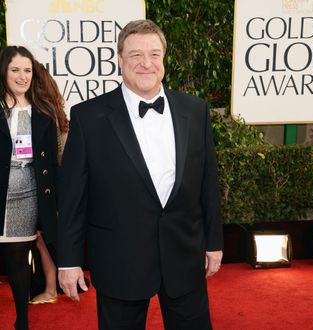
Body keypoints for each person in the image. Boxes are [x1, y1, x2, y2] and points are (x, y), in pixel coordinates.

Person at [57, 19, 223, 330]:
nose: (146, 63)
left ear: (164, 58)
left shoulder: (195, 110)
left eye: (154, 54)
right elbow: (72, 198)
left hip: (184, 256)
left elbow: (207, 183)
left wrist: (213, 242)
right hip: (119, 260)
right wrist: (68, 260)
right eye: (135, 55)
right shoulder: (88, 117)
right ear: (119, 59)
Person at [0, 46, 67, 329]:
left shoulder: (42, 112)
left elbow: (53, 162)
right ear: (3, 71)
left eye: (27, 70)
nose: (22, 76)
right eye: (15, 69)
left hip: (27, 194)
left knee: (18, 259)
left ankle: (22, 321)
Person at [28, 61, 68, 305]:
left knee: (41, 238)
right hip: (57, 182)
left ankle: (51, 287)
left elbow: (55, 153)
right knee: (42, 237)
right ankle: (52, 285)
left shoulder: (41, 111)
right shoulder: (52, 107)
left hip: (50, 183)